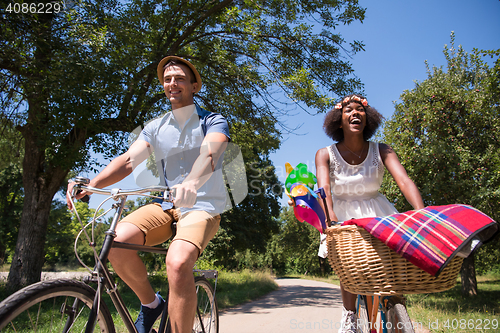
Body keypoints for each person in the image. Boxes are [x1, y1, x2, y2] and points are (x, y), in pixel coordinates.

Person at [67, 56, 230, 333]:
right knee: (116, 242)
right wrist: (92, 184)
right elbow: (129, 160)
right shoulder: (155, 127)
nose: (172, 84)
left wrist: (191, 181)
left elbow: (211, 152)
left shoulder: (212, 120)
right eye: (167, 80)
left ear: (194, 86)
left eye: (179, 78)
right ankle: (152, 303)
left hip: (202, 204)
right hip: (165, 204)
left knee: (177, 263)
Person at [315, 94, 424, 333]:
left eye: (360, 110)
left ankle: (397, 311)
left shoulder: (382, 150)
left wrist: (422, 213)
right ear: (339, 120)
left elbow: (404, 181)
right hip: (342, 215)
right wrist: (331, 221)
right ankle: (350, 316)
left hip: (378, 213)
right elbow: (324, 190)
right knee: (349, 267)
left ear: (368, 117)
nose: (355, 113)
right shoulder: (325, 154)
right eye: (348, 110)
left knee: (391, 267)